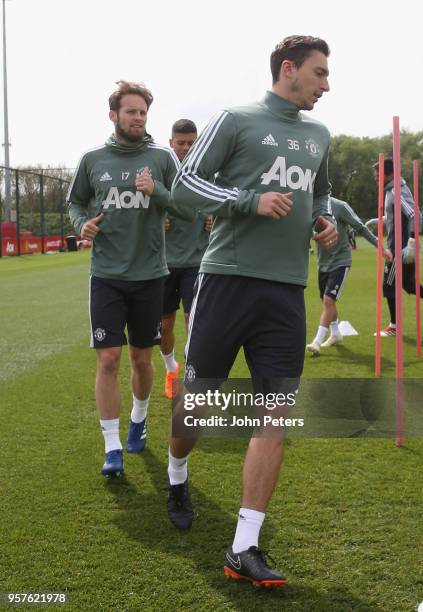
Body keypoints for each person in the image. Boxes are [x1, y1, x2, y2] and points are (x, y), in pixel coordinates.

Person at [167, 36, 337, 587]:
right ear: (288, 69)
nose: (326, 84)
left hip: (286, 293)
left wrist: (323, 221)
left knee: (275, 416)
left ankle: (245, 546)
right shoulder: (235, 119)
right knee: (196, 410)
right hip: (226, 284)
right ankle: (177, 473)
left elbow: (321, 193)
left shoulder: (320, 135)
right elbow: (184, 183)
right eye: (319, 73)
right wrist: (247, 200)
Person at [67, 80, 191, 477]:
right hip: (105, 275)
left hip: (150, 275)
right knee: (109, 359)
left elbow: (186, 206)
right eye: (131, 112)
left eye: (143, 112)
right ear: (114, 115)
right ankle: (112, 446)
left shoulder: (162, 158)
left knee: (140, 358)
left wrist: (157, 192)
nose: (138, 118)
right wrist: (81, 224)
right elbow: (74, 203)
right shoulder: (93, 159)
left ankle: (139, 418)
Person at [160, 119, 212, 399]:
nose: (186, 147)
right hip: (164, 265)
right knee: (164, 326)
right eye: (181, 142)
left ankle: (192, 377)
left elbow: (224, 203)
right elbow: (144, 209)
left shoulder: (206, 174)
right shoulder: (161, 174)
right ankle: (171, 369)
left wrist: (216, 217)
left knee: (194, 323)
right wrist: (156, 221)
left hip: (196, 262)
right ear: (171, 143)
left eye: (191, 142)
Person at [306, 197, 392, 356]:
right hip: (322, 264)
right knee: (327, 302)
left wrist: (381, 248)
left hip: (341, 261)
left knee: (328, 300)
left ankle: (317, 342)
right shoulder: (308, 207)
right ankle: (336, 333)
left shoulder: (339, 206)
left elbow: (361, 227)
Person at [373, 158, 423, 336]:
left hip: (399, 250)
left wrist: (411, 242)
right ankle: (394, 325)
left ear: (389, 174)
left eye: (379, 175)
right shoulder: (390, 190)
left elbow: (415, 215)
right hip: (401, 248)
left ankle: (394, 326)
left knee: (388, 286)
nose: (376, 178)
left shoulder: (395, 190)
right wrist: (382, 220)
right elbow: (398, 215)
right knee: (410, 286)